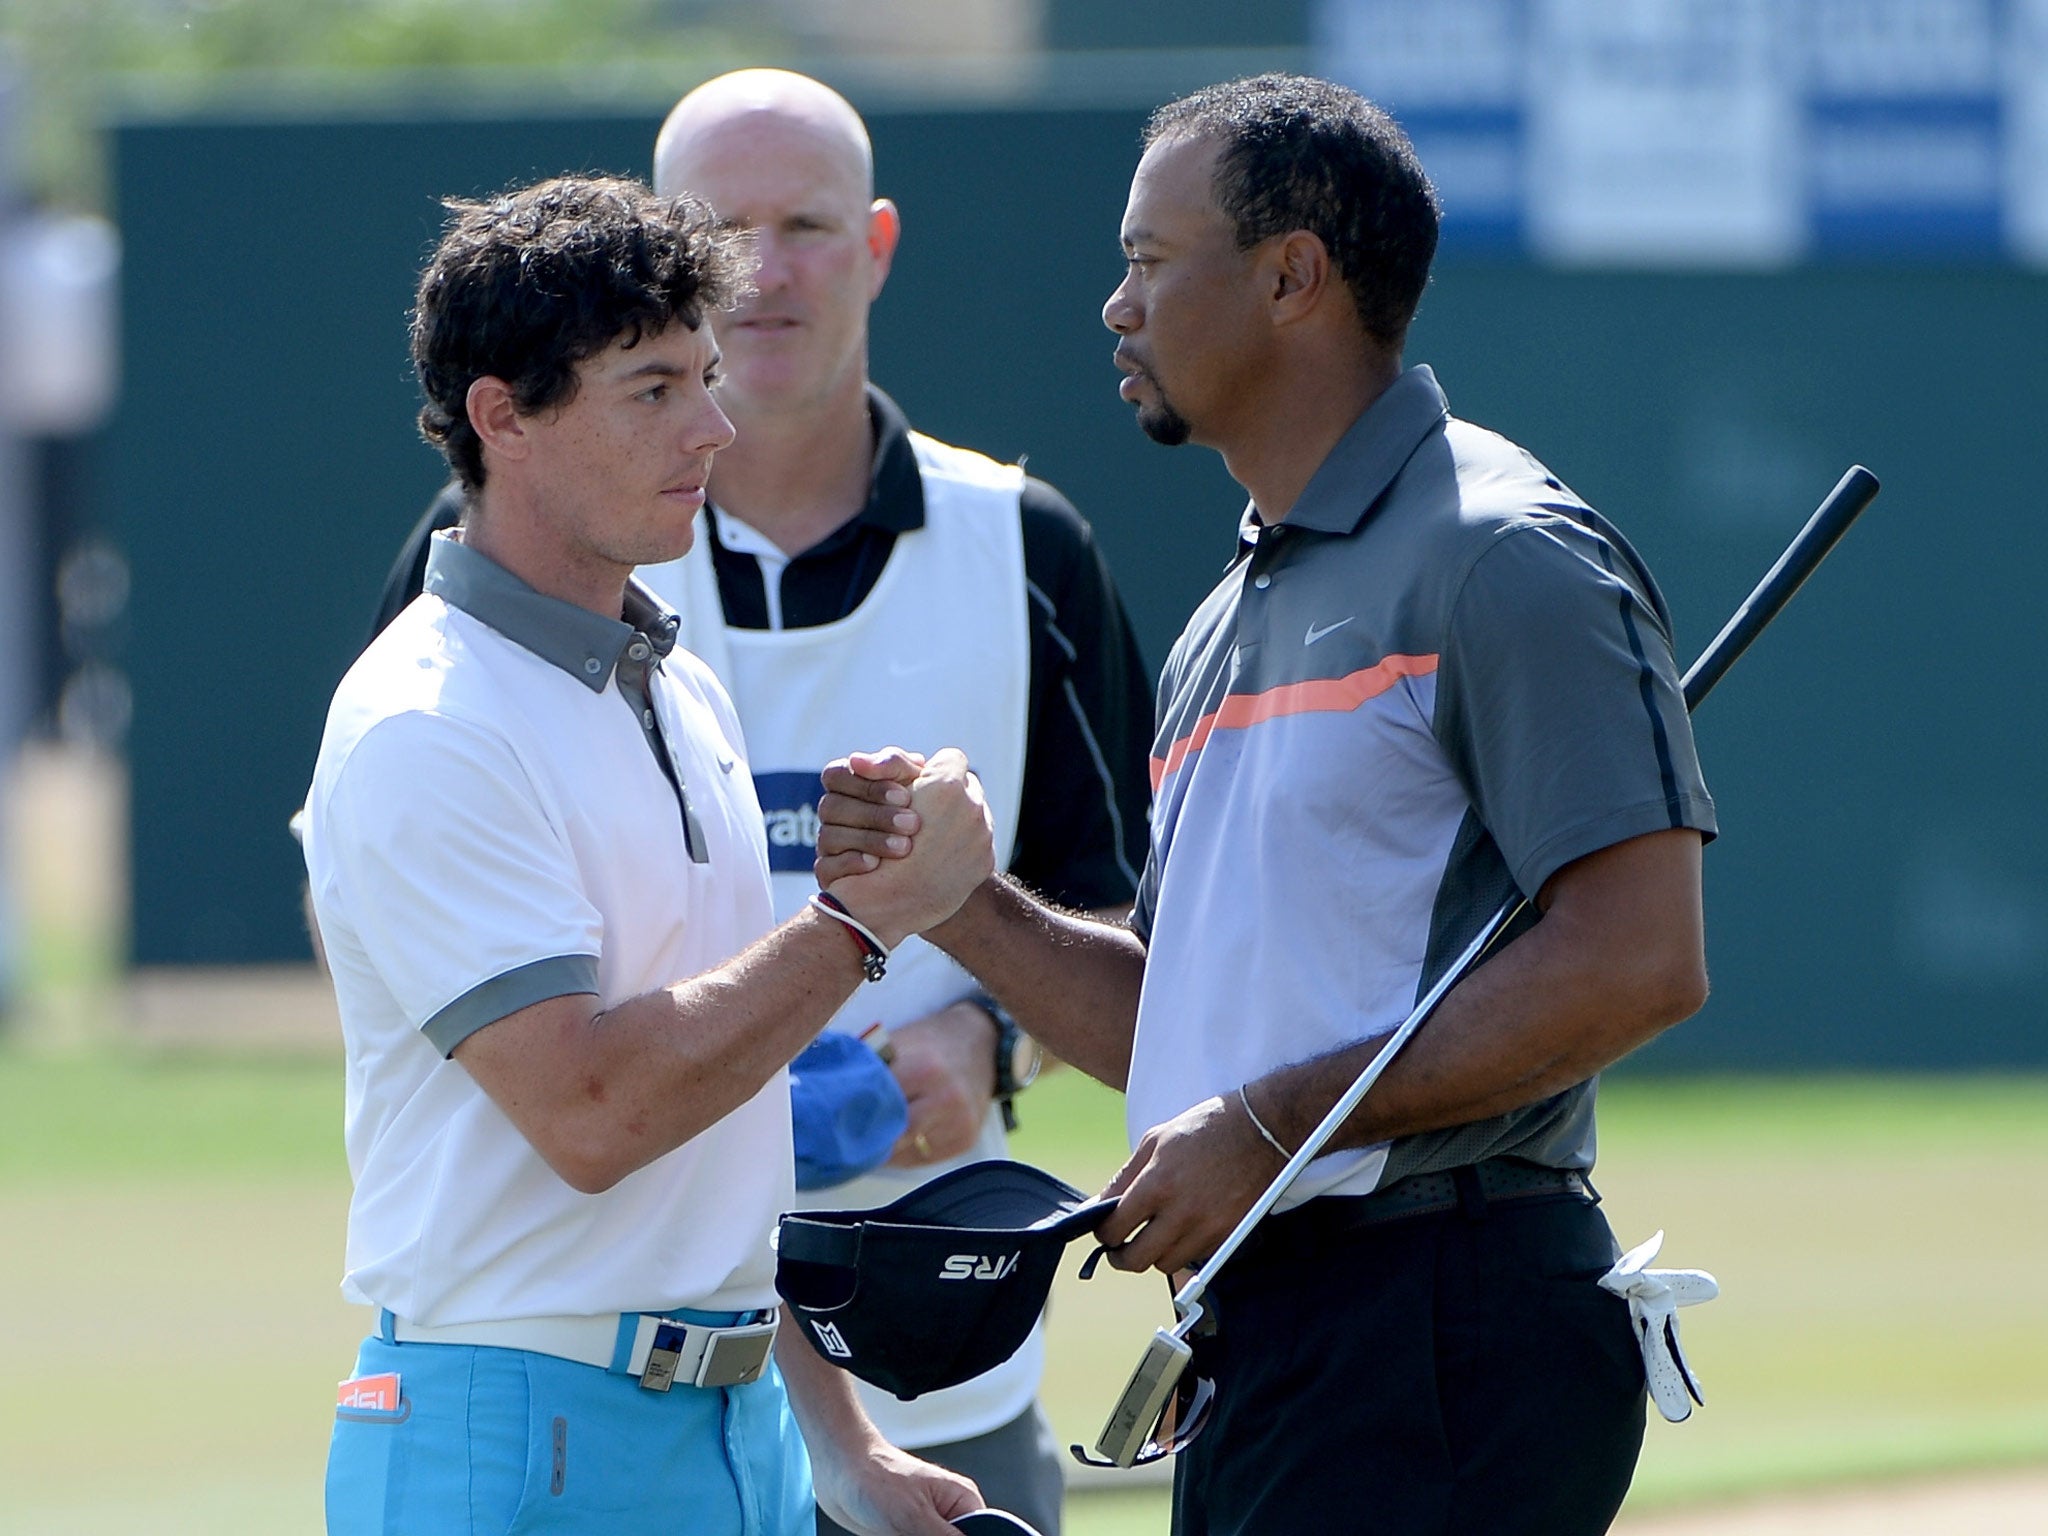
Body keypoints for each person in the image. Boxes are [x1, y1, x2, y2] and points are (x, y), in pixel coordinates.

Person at [819, 74, 1717, 1535]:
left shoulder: (1502, 555)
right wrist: (955, 905)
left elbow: (1637, 959)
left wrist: (1269, 1126)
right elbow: (1181, 1024)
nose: (1115, 305)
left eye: (1150, 261)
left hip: (1438, 1321)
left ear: (1293, 275)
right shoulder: (1231, 610)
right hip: (1282, 1339)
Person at [366, 70, 1153, 1536]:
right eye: (729, 235)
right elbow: (579, 1084)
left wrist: (979, 1032)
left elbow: (1118, 931)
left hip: (871, 1368)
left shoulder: (1005, 549)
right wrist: (861, 939)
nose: (769, 273)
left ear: (878, 242)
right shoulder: (458, 650)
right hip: (553, 1400)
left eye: (808, 223)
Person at [302, 173, 996, 1536]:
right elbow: (596, 1114)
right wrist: (866, 923)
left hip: (735, 1432)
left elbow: (711, 1128)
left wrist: (843, 1447)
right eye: (653, 389)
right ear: (502, 416)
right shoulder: (426, 721)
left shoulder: (675, 685)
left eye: (708, 377)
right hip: (508, 1435)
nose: (716, 427)